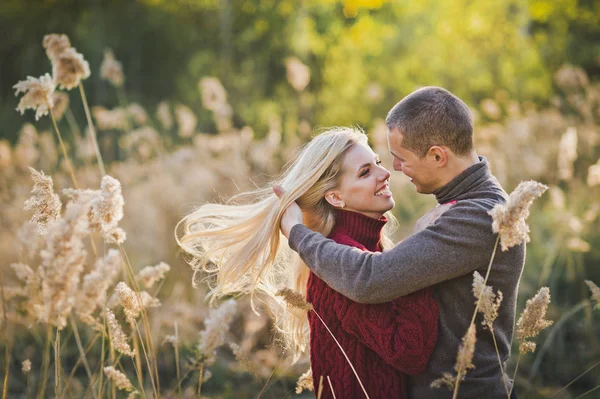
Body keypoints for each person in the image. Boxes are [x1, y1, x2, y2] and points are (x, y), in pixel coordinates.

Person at [276, 87, 525, 399]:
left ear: (437, 155)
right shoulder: (465, 208)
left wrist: (297, 233)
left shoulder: (477, 217)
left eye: (398, 158)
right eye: (371, 168)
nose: (392, 170)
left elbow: (372, 278)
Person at [176, 127, 439, 398]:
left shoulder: (361, 250)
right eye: (365, 172)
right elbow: (409, 353)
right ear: (336, 197)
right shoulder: (341, 263)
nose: (384, 174)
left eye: (378, 164)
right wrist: (420, 264)